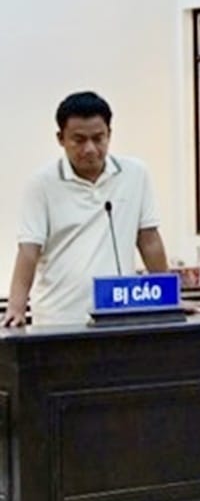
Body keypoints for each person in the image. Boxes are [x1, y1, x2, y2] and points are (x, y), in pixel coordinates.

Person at [2, 92, 171, 327]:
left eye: (98, 138)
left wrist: (170, 298)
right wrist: (16, 308)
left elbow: (149, 240)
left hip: (119, 313)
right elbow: (29, 250)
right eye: (79, 140)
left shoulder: (135, 174)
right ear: (61, 139)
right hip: (59, 319)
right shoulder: (41, 184)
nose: (90, 149)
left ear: (109, 134)